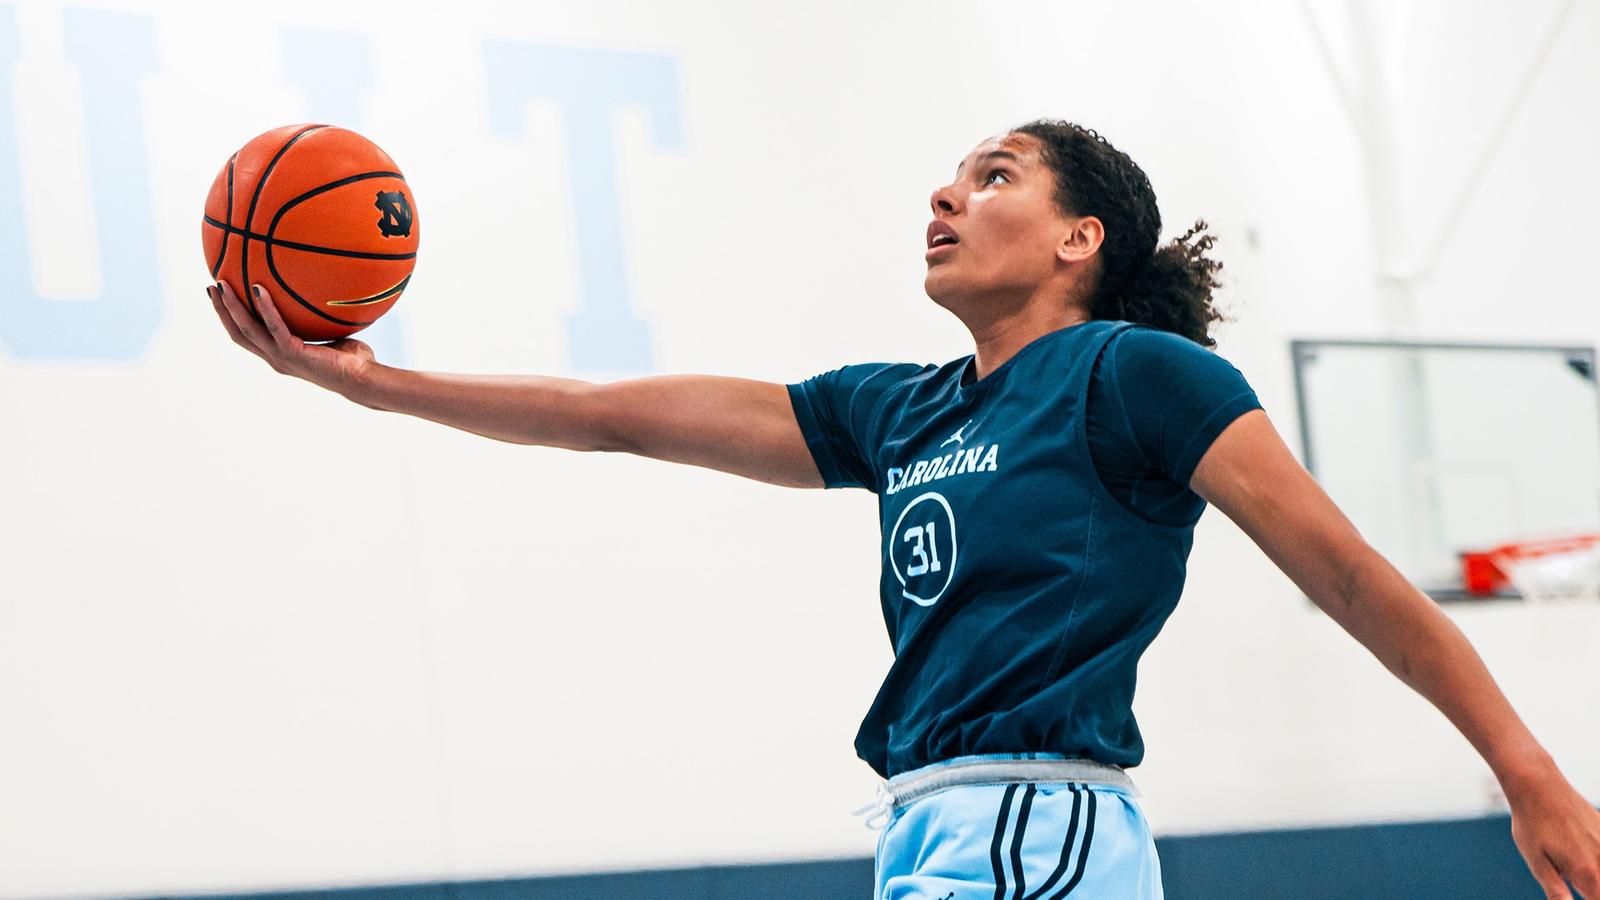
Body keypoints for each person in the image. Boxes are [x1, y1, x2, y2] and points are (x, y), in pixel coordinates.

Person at [207, 119, 1600, 899]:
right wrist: (377, 384)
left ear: (1080, 239)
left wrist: (1528, 774)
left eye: (995, 174)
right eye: (948, 172)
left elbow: (1350, 575)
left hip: (1031, 817)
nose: (945, 190)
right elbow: (608, 414)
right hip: (931, 824)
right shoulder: (904, 409)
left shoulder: (1137, 376)